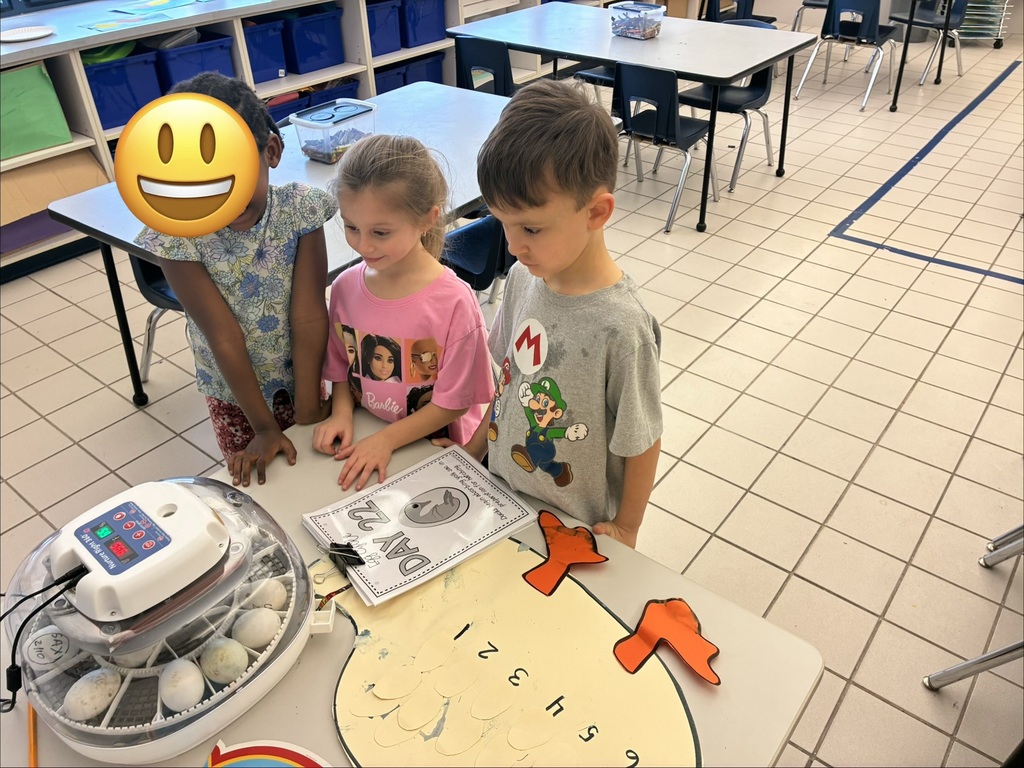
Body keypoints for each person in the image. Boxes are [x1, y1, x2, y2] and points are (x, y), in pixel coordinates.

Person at [462, 79, 663, 549]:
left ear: (596, 212)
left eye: (530, 227)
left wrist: (628, 526)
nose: (512, 245)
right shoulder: (521, 278)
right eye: (502, 223)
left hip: (573, 525)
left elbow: (643, 436)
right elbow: (509, 383)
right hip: (501, 495)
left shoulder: (623, 326)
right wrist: (471, 454)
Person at [136, 72, 336, 487]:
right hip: (236, 396)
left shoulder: (299, 210)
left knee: (318, 475)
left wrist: (307, 408)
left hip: (303, 370)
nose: (226, 204)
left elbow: (310, 316)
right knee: (267, 487)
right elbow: (222, 335)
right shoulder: (178, 233)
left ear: (271, 151)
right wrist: (264, 427)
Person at [313, 134, 494, 491]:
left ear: (428, 219)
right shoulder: (347, 287)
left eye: (380, 232)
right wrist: (341, 412)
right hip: (368, 432)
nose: (362, 244)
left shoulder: (455, 302)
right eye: (351, 227)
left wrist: (386, 441)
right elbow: (341, 367)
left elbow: (454, 404)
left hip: (432, 447)